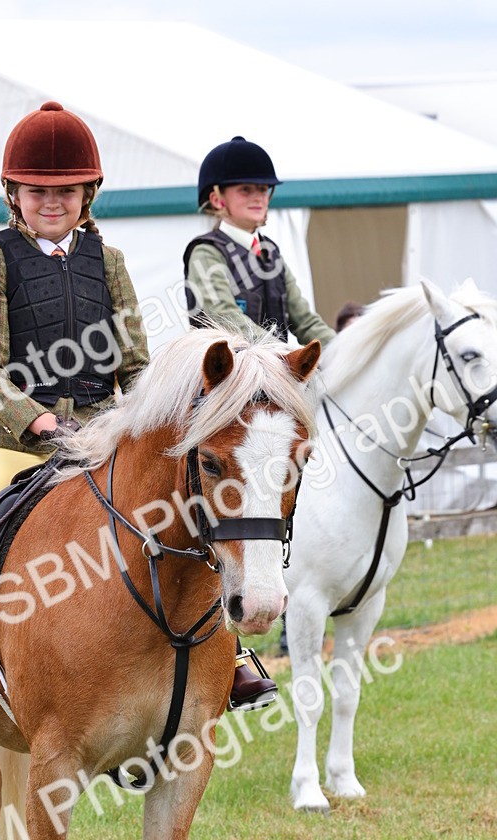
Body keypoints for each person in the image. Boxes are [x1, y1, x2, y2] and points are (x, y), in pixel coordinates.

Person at [0, 100, 150, 740]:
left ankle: (229, 657)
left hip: (100, 436)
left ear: (87, 193)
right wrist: (38, 421)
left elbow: (137, 363)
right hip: (15, 444)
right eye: (38, 190)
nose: (52, 201)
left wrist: (144, 420)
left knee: (186, 510)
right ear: (13, 192)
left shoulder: (110, 261)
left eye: (65, 191)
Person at [183, 136, 337, 707]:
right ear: (217, 198)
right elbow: (224, 318)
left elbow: (306, 317)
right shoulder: (205, 251)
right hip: (223, 402)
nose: (258, 197)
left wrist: (342, 356)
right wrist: (280, 367)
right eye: (247, 189)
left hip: (274, 402)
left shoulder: (271, 252)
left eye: (264, 190)